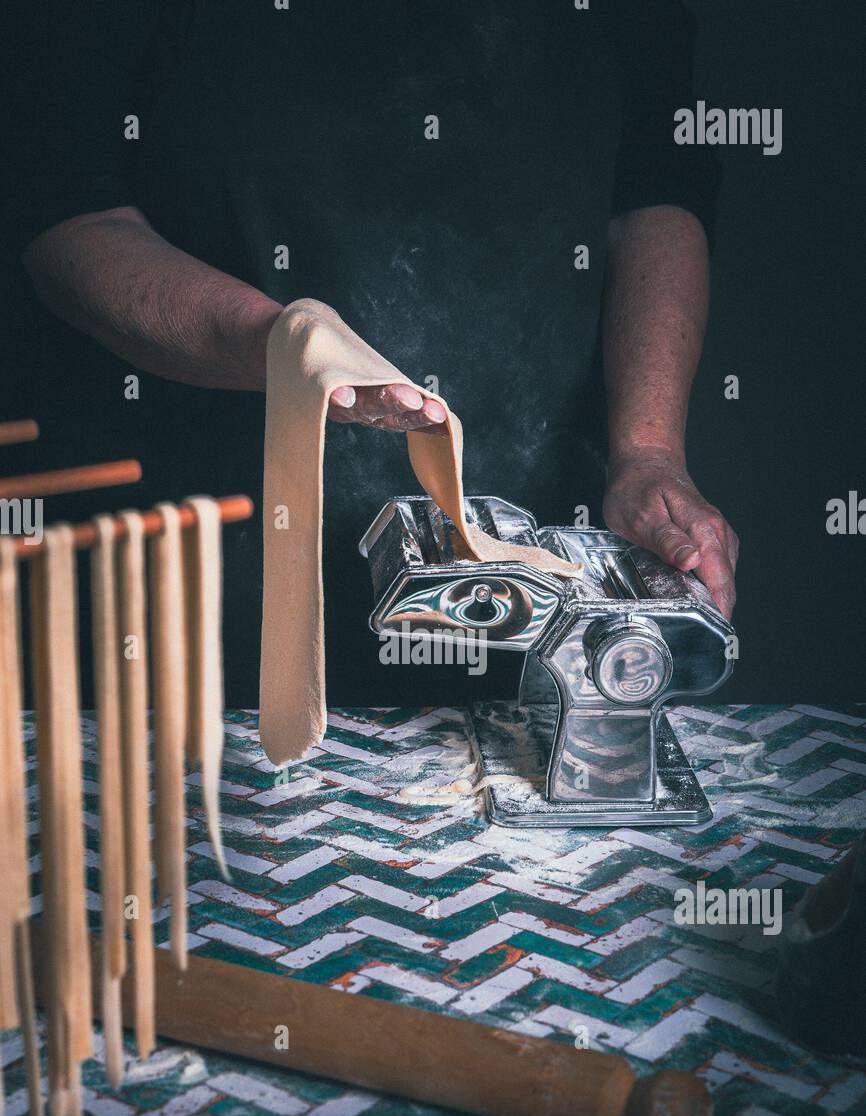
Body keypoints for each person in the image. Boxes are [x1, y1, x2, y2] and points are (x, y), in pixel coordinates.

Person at [9, 0, 738, 707]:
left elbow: (655, 194)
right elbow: (70, 213)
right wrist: (283, 343)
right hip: (191, 550)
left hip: (525, 574)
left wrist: (647, 450)